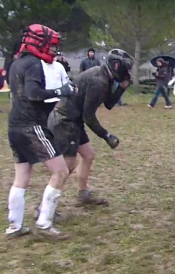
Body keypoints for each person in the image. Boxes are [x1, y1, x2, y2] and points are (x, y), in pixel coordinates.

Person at [6, 24, 77, 240]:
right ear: (39, 43)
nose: (54, 50)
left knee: (22, 177)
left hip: (14, 126)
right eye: (51, 45)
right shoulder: (34, 64)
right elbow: (34, 94)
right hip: (31, 126)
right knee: (61, 172)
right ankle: (44, 223)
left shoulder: (16, 63)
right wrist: (61, 91)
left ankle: (14, 226)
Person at [47, 49, 132, 209]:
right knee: (67, 165)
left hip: (73, 119)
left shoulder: (103, 76)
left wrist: (121, 87)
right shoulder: (98, 82)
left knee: (88, 154)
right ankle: (46, 208)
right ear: (117, 66)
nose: (128, 73)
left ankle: (83, 194)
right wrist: (106, 135)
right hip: (65, 121)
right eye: (126, 69)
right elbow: (89, 116)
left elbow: (108, 104)